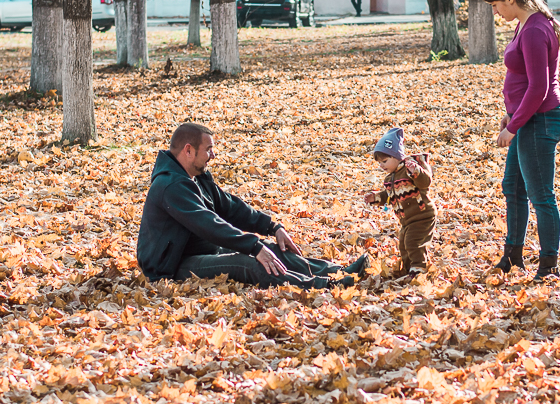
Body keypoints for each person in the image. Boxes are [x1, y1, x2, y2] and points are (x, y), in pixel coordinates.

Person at [137, 123, 369, 288]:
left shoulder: (196, 176)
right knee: (249, 262)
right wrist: (253, 247)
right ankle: (325, 286)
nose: (213, 155)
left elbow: (230, 207)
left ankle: (337, 272)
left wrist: (272, 227)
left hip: (204, 250)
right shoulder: (170, 187)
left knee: (274, 251)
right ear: (188, 150)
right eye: (208, 149)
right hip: (172, 265)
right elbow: (209, 224)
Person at [482, 0, 560, 281]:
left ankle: (548, 267)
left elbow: (539, 87)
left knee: (541, 195)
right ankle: (512, 256)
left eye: (495, 5)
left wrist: (513, 126)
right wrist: (511, 114)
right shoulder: (525, 24)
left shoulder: (533, 29)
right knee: (513, 188)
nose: (495, 11)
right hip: (527, 117)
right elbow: (522, 80)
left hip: (540, 120)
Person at [363, 128, 437, 276]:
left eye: (385, 161)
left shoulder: (410, 170)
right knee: (403, 244)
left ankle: (419, 268)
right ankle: (410, 268)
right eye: (379, 163)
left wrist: (416, 172)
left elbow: (425, 183)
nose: (382, 165)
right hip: (407, 219)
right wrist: (376, 197)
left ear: (397, 157)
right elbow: (389, 195)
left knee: (413, 242)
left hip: (423, 215)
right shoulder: (390, 178)